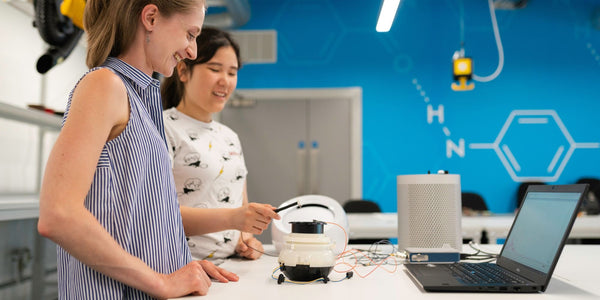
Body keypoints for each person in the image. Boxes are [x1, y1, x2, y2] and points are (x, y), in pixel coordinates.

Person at [37, 1, 238, 299]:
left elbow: (138, 220)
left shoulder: (143, 99)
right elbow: (58, 215)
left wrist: (180, 264)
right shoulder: (104, 85)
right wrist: (161, 282)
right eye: (190, 34)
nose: (192, 52)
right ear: (151, 17)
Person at [161, 27, 280, 263]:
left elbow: (240, 205)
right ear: (183, 71)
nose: (225, 81)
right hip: (183, 267)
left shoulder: (229, 136)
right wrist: (234, 218)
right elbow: (157, 214)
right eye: (215, 69)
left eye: (232, 72)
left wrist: (246, 239)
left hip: (230, 267)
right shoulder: (163, 128)